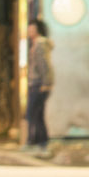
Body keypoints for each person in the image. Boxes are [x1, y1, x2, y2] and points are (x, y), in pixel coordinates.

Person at [24, 17, 54, 150]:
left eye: (32, 28)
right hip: (36, 83)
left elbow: (44, 65)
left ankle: (34, 142)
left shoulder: (40, 44)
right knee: (38, 114)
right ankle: (41, 142)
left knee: (32, 113)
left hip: (38, 84)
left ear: (37, 29)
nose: (29, 30)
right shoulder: (36, 43)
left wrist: (46, 83)